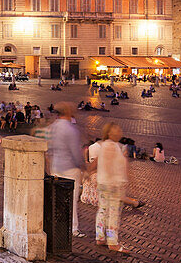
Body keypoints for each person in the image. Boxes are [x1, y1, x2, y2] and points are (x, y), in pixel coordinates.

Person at [88, 122, 129, 253]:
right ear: (110, 133)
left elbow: (96, 162)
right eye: (117, 129)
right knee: (113, 213)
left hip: (103, 183)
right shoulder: (114, 146)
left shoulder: (104, 145)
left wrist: (89, 172)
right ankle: (112, 242)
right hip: (113, 185)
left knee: (102, 210)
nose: (119, 132)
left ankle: (100, 236)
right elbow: (113, 166)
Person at [48, 105, 87, 237]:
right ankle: (73, 228)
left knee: (57, 199)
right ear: (69, 112)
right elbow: (75, 151)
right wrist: (83, 167)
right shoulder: (71, 129)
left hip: (56, 166)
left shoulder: (53, 126)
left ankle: (57, 225)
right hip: (70, 168)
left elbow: (49, 147)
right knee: (72, 199)